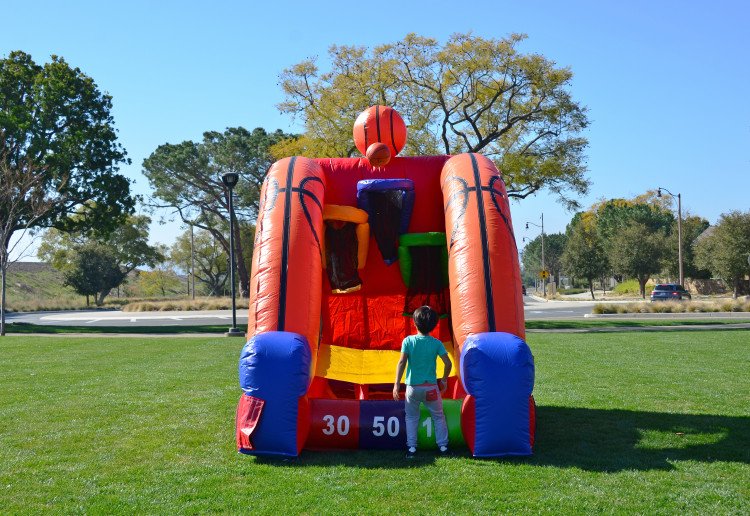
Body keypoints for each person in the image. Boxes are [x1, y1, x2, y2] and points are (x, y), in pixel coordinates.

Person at [393, 305, 452, 458]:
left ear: (414, 322)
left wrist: (396, 384)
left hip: (413, 388)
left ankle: (411, 449)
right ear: (434, 325)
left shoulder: (408, 341)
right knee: (438, 416)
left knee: (411, 417)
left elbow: (401, 363)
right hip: (431, 388)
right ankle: (443, 447)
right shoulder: (436, 343)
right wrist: (444, 380)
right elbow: (448, 363)